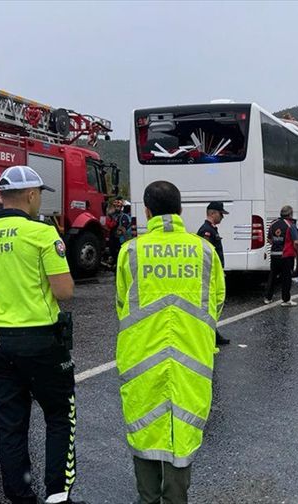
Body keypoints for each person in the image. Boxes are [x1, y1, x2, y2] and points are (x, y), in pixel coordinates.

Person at [0, 166, 81, 504]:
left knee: (10, 424)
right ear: (30, 195)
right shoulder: (41, 233)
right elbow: (64, 291)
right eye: (40, 194)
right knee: (60, 416)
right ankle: (58, 495)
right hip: (41, 341)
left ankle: (20, 495)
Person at [115, 181, 225, 504]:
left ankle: (147, 498)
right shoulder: (204, 250)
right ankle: (176, 499)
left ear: (147, 212)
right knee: (184, 431)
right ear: (180, 211)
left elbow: (122, 304)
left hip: (140, 361)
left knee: (144, 427)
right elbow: (217, 302)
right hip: (193, 360)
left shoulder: (130, 252)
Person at [197, 201, 231, 345]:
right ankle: (210, 334)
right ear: (212, 213)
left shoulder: (211, 229)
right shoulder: (206, 231)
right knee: (210, 305)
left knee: (212, 305)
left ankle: (213, 333)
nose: (222, 217)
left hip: (213, 273)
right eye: (220, 214)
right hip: (208, 275)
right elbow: (206, 255)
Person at [264, 205, 298, 306]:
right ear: (290, 214)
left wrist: (276, 244)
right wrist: (296, 251)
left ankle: (268, 297)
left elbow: (269, 239)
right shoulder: (291, 225)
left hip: (274, 255)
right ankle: (286, 300)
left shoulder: (273, 224)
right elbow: (296, 242)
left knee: (272, 276)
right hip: (286, 256)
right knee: (286, 277)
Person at [106, 197, 131, 267]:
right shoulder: (111, 215)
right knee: (114, 251)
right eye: (115, 206)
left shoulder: (124, 216)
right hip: (114, 238)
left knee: (119, 252)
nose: (116, 208)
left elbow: (123, 230)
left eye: (118, 206)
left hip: (121, 240)